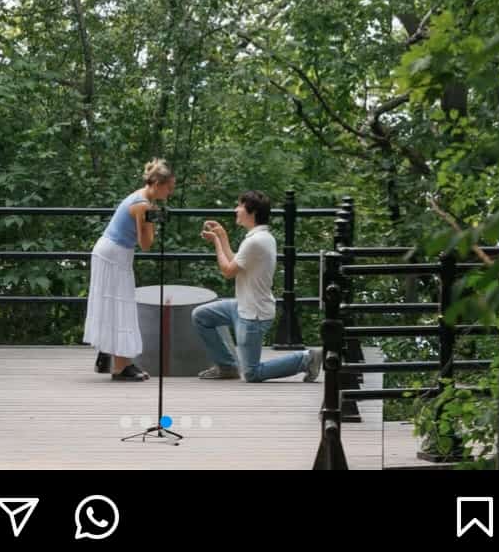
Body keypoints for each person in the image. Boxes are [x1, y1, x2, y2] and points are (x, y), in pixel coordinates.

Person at [192, 190, 322, 383]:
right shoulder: (261, 238)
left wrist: (217, 243)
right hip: (242, 306)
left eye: (240, 206)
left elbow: (228, 271)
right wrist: (223, 236)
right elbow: (237, 261)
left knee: (252, 373)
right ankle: (227, 367)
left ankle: (306, 359)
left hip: (253, 315)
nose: (236, 209)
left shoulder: (255, 241)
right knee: (201, 316)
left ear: (251, 212)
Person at [84, 158, 176, 381]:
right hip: (113, 255)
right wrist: (154, 220)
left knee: (118, 304)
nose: (171, 192)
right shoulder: (143, 204)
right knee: (120, 305)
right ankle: (121, 366)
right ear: (156, 183)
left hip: (115, 252)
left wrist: (152, 217)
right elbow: (146, 245)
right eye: (169, 187)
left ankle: (113, 358)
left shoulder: (143, 198)